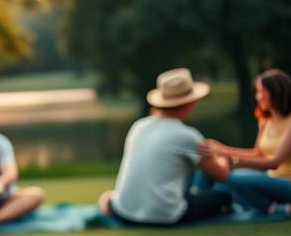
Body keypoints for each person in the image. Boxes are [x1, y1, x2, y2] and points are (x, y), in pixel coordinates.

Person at [99, 68, 232, 226]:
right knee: (224, 197)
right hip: (164, 217)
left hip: (123, 213)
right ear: (189, 103)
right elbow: (221, 174)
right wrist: (221, 156)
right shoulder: (187, 136)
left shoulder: (138, 126)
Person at [198, 69, 291, 215]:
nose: (258, 97)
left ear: (277, 92)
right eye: (257, 92)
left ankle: (277, 208)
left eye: (262, 92)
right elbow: (257, 154)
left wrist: (231, 159)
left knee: (229, 178)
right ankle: (198, 199)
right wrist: (220, 148)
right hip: (271, 180)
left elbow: (274, 162)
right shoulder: (266, 119)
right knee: (220, 182)